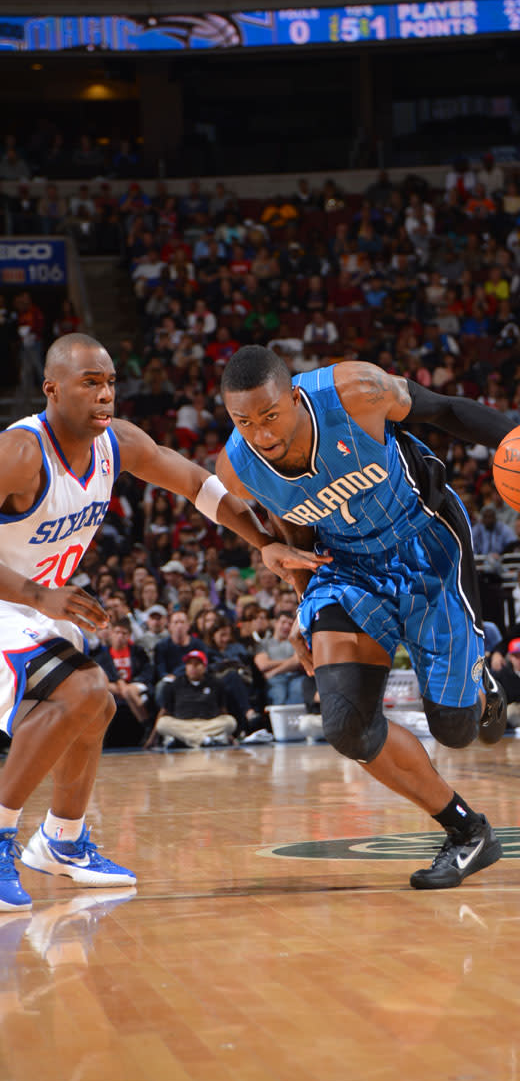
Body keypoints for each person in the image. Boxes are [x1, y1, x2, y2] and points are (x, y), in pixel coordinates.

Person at [0, 334, 325, 911]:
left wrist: (262, 545)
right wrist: (37, 594)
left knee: (94, 706)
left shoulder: (116, 444)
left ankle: (62, 842)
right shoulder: (19, 453)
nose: (105, 395)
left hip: (35, 608)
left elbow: (198, 484)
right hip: (13, 603)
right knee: (87, 689)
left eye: (110, 382)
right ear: (50, 388)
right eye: (88, 383)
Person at [216, 345, 514, 890]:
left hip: (427, 547)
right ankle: (467, 831)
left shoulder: (355, 392)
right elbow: (293, 534)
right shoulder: (238, 465)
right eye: (244, 421)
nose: (260, 433)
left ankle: (479, 677)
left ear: (296, 396)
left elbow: (444, 409)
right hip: (346, 567)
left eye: (270, 415)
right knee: (346, 725)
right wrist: (306, 603)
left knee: (456, 730)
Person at [146, 650, 237, 749]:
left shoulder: (216, 683)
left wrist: (230, 736)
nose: (193, 667)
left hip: (208, 723)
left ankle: (186, 739)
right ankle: (204, 740)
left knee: (230, 722)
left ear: (204, 667)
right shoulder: (175, 684)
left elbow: (222, 710)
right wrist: (152, 738)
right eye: (189, 664)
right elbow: (164, 711)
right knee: (162, 723)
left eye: (197, 664)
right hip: (183, 724)